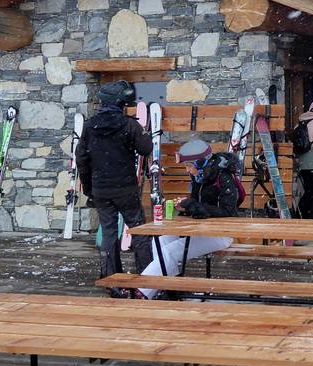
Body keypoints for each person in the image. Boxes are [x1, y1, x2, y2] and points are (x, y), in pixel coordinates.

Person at [77, 80, 153, 287]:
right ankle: (148, 277)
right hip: (125, 188)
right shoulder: (129, 125)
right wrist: (142, 133)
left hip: (101, 189)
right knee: (138, 230)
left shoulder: (90, 126)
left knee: (109, 233)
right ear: (120, 103)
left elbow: (81, 159)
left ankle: (111, 279)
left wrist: (90, 190)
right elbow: (146, 148)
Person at [138, 140, 239, 297]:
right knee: (160, 241)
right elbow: (198, 205)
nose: (187, 170)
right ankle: (171, 288)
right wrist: (185, 207)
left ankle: (141, 291)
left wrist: (193, 205)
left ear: (201, 163)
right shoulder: (199, 177)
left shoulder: (224, 177)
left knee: (170, 252)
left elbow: (228, 211)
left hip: (222, 233)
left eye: (189, 166)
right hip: (200, 230)